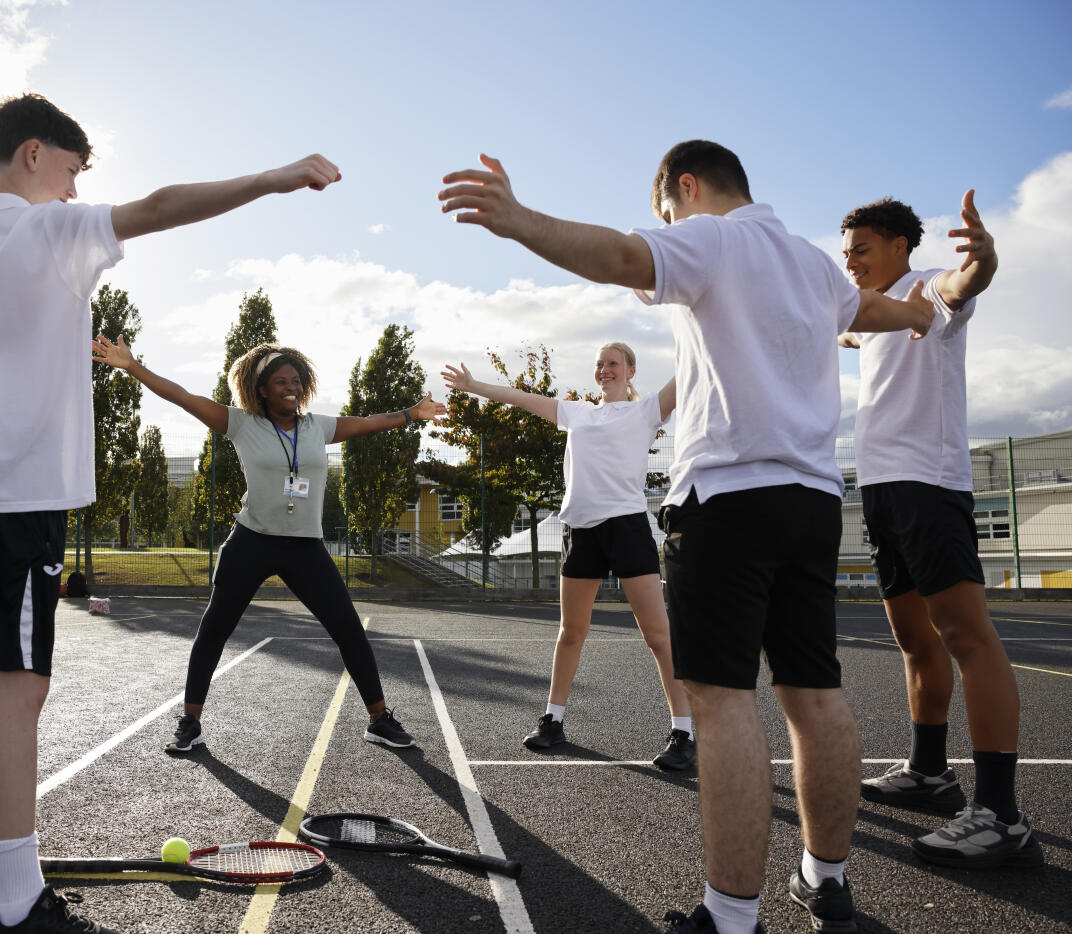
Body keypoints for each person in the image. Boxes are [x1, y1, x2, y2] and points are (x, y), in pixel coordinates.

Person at [0, 92, 341, 934]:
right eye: (72, 172)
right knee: (18, 688)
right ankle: (18, 900)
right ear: (34, 154)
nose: (77, 192)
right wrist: (272, 178)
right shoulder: (52, 232)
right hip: (19, 494)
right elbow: (159, 208)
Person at [438, 142, 932, 934]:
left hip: (730, 498)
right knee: (814, 693)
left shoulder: (713, 235)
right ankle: (827, 881)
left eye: (668, 210)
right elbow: (865, 311)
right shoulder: (810, 263)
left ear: (687, 189)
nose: (666, 227)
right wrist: (918, 311)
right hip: (812, 501)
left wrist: (520, 221)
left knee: (725, 700)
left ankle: (731, 917)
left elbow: (621, 253)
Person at [93, 335, 444, 754]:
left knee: (349, 630)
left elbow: (369, 421)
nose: (291, 387)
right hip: (252, 541)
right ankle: (190, 723)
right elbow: (183, 396)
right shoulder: (242, 423)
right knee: (214, 630)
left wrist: (412, 414)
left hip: (305, 547)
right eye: (281, 381)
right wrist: (133, 367)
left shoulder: (318, 427)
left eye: (296, 380)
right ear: (261, 389)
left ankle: (379, 720)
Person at [838, 193, 1037, 868]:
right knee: (911, 638)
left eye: (861, 249)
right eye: (845, 252)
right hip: (884, 491)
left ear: (899, 246)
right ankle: (929, 774)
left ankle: (1002, 815)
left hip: (929, 484)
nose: (851, 262)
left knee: (964, 635)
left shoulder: (929, 295)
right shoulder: (871, 316)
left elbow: (963, 283)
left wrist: (983, 261)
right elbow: (839, 328)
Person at [441, 347, 695, 769]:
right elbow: (519, 397)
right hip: (582, 530)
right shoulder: (578, 413)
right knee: (571, 631)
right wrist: (473, 386)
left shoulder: (646, 410)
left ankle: (683, 731)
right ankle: (553, 721)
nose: (605, 369)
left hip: (629, 528)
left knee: (657, 635)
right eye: (600, 363)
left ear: (631, 370)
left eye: (614, 363)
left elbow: (692, 367)